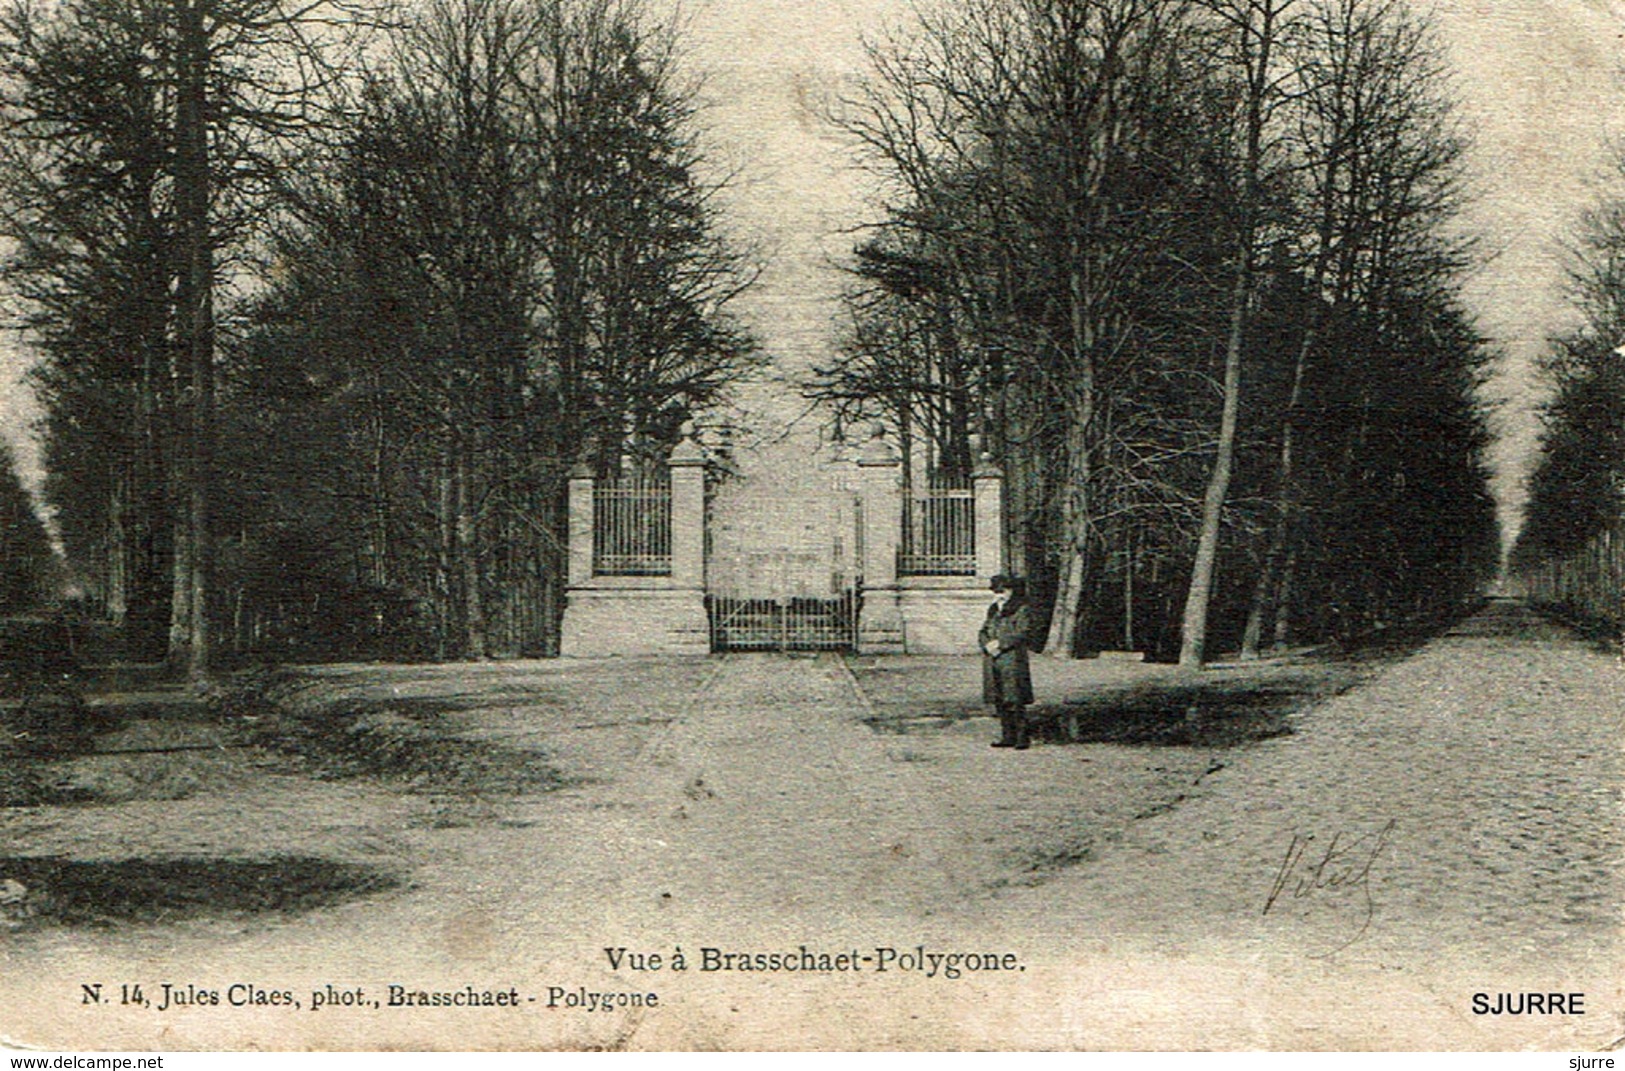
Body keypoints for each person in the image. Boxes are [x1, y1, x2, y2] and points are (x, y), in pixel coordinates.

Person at [980, 574, 1034, 749]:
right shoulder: (993, 609)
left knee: (1015, 698)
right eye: (996, 592)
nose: (1000, 595)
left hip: (1012, 658)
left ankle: (1022, 737)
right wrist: (986, 644)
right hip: (993, 658)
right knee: (999, 698)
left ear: (1012, 591)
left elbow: (1023, 632)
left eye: (1003, 591)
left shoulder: (1021, 609)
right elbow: (983, 630)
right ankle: (1007, 736)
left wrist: (1001, 644)